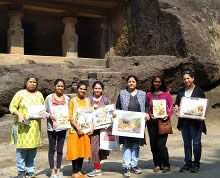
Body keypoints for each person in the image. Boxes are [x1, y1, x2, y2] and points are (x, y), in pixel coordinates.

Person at [9, 75, 45, 178]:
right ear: (26, 83)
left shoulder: (39, 95)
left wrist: (43, 114)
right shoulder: (20, 94)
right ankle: (21, 171)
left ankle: (30, 170)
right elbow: (12, 106)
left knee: (32, 149)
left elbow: (42, 109)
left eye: (34, 82)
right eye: (30, 82)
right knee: (21, 149)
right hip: (22, 126)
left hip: (34, 127)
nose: (32, 84)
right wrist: (19, 114)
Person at [116, 75, 149, 178]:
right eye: (129, 81)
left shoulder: (143, 94)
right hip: (125, 123)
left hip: (138, 124)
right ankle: (126, 167)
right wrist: (116, 113)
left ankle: (134, 165)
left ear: (136, 83)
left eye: (133, 81)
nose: (131, 83)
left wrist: (147, 114)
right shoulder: (122, 93)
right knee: (126, 145)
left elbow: (147, 106)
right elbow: (118, 106)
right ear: (127, 83)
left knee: (135, 145)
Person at [175, 69, 206, 173]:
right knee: (186, 143)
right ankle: (188, 162)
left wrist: (200, 114)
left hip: (196, 122)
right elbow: (177, 104)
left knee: (196, 143)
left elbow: (203, 107)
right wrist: (176, 109)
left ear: (193, 78)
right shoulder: (180, 91)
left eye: (188, 78)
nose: (186, 80)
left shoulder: (199, 90)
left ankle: (196, 163)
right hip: (184, 122)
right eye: (184, 79)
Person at [146, 76, 173, 173]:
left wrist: (168, 115)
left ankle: (165, 164)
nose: (157, 83)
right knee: (153, 145)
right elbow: (147, 107)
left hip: (163, 122)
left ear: (162, 83)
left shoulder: (167, 94)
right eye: (155, 82)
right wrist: (149, 114)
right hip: (152, 123)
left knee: (161, 145)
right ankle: (156, 164)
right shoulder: (149, 94)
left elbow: (170, 107)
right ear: (152, 83)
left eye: (159, 82)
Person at [66, 81, 93, 178]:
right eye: (80, 88)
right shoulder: (72, 101)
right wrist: (78, 128)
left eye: (84, 89)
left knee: (82, 151)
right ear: (77, 89)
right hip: (75, 131)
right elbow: (70, 117)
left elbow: (91, 115)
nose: (82, 90)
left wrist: (92, 128)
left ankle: (79, 171)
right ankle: (74, 172)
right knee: (75, 151)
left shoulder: (88, 101)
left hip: (85, 130)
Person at [45, 79, 69, 178]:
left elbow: (70, 112)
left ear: (64, 88)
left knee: (60, 149)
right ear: (54, 87)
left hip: (63, 128)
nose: (60, 88)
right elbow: (43, 111)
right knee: (51, 149)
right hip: (52, 128)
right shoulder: (49, 98)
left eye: (62, 86)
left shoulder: (67, 99)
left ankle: (58, 170)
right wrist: (49, 115)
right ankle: (52, 171)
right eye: (58, 86)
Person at [87, 81, 110, 177]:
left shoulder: (105, 100)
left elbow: (109, 112)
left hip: (103, 128)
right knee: (94, 148)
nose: (97, 90)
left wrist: (108, 124)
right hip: (92, 128)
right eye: (96, 88)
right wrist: (91, 108)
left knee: (102, 148)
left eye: (99, 88)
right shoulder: (88, 99)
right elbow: (85, 112)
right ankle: (97, 169)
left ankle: (97, 167)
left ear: (102, 89)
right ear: (93, 89)